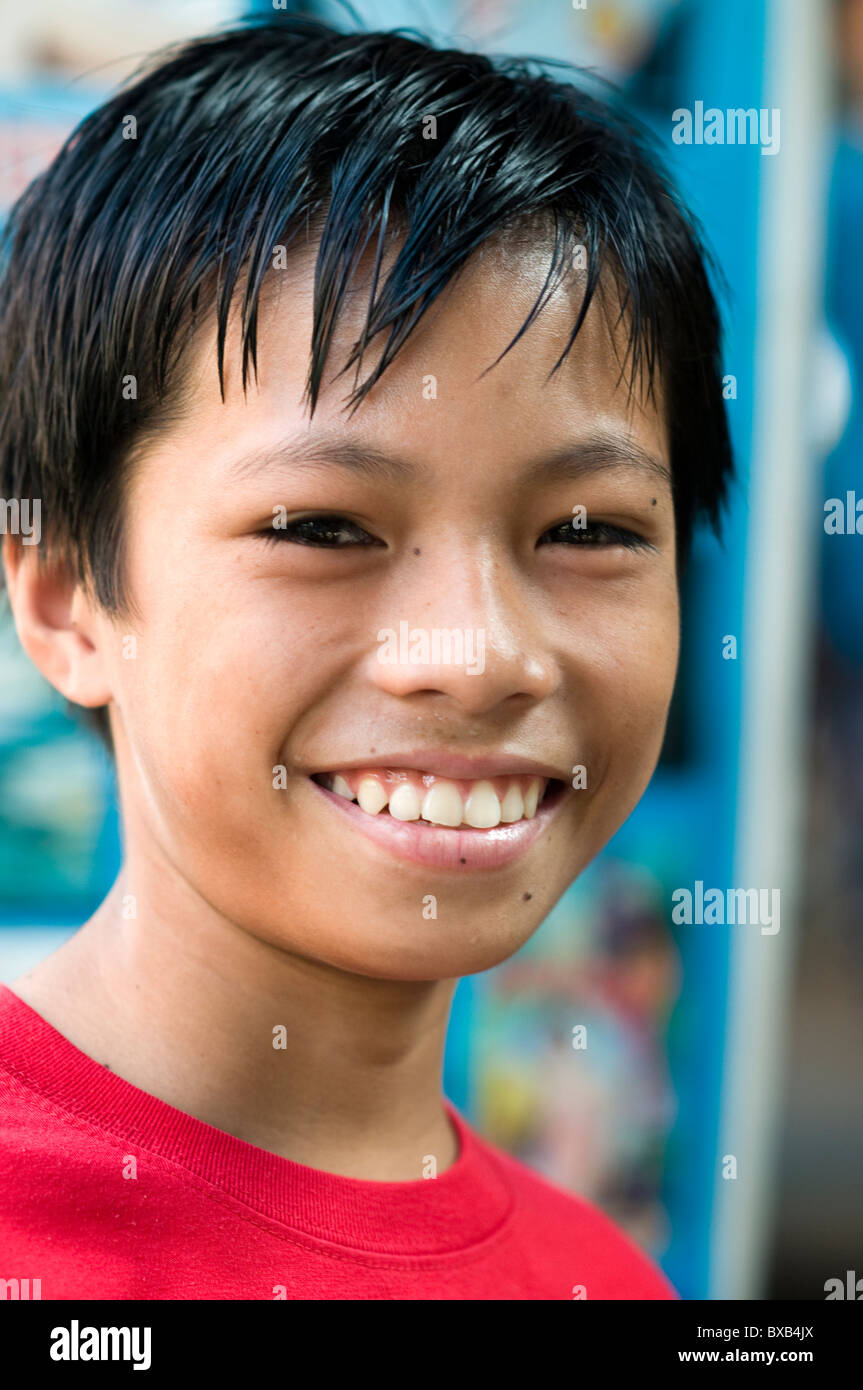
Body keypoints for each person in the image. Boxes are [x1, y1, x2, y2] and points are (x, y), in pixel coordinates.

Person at [0, 13, 732, 1299]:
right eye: (322, 526)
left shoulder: (604, 1283)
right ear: (66, 600)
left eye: (585, 530)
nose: (481, 656)